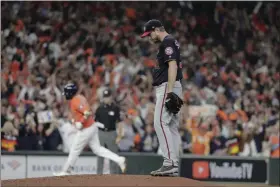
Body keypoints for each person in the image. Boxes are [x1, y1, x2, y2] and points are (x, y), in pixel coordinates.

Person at [53, 83, 126, 176]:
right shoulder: (80, 97)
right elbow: (84, 112)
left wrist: (81, 121)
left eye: (66, 93)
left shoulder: (76, 100)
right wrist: (75, 121)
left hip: (86, 129)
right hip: (91, 127)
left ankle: (66, 170)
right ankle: (119, 159)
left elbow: (87, 111)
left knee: (75, 150)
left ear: (70, 93)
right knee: (98, 149)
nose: (65, 95)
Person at [140, 19, 183, 176]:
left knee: (159, 122)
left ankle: (169, 162)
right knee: (171, 126)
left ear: (156, 30)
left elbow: (172, 65)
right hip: (172, 85)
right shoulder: (170, 42)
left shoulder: (168, 41)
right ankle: (173, 163)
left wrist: (170, 92)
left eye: (149, 34)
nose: (148, 37)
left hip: (167, 86)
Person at [95, 88, 122, 174]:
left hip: (112, 133)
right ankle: (98, 176)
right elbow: (95, 122)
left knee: (113, 155)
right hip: (101, 133)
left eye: (108, 97)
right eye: (105, 97)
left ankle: (114, 176)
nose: (106, 99)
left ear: (111, 97)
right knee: (100, 155)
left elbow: (119, 122)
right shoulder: (99, 108)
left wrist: (119, 135)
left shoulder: (115, 108)